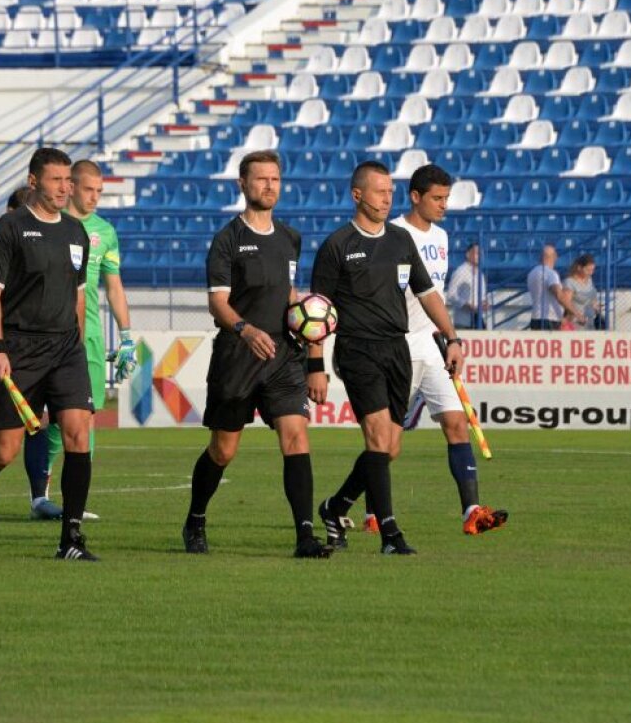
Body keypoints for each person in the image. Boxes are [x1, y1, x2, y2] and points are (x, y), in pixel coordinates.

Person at [0, 147, 97, 560]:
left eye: (68, 180)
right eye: (56, 180)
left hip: (65, 350)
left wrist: (78, 349)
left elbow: (78, 297)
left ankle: (71, 539)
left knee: (77, 435)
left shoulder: (75, 232)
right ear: (33, 182)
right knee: (4, 451)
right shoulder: (11, 228)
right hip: (20, 351)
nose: (65, 187)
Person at [310, 160, 465, 556]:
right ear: (358, 195)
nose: (386, 199)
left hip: (397, 350)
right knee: (379, 438)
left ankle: (335, 506)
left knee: (389, 448)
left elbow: (428, 293)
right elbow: (317, 312)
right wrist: (316, 366)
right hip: (358, 350)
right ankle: (391, 534)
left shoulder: (400, 240)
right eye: (380, 192)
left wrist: (452, 338)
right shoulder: (337, 246)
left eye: (390, 192)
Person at [181, 150, 330, 559]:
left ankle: (305, 536)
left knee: (296, 437)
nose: (269, 186)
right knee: (224, 449)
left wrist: (314, 357)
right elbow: (218, 303)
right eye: (261, 179)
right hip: (238, 356)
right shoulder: (227, 240)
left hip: (283, 357)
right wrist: (246, 330)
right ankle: (195, 519)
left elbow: (291, 297)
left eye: (275, 179)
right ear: (242, 185)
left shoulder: (290, 238)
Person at [369, 164, 507, 537]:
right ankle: (362, 508)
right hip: (399, 348)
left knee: (455, 423)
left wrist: (450, 339)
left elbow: (436, 295)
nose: (444, 205)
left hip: (433, 346)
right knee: (389, 444)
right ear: (415, 197)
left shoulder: (443, 237)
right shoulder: (392, 233)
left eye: (447, 198)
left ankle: (472, 511)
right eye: (437, 198)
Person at [22, 160, 136, 521]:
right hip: (46, 337)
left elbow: (114, 286)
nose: (95, 198)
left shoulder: (105, 232)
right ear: (70, 186)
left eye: (100, 192)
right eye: (89, 190)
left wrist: (128, 335)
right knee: (45, 422)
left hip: (87, 343)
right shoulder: (53, 226)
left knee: (86, 419)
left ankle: (73, 501)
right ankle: (39, 494)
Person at [527, 244, 583, 331]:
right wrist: (577, 313)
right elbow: (559, 295)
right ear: (554, 257)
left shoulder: (532, 273)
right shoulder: (551, 274)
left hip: (535, 318)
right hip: (549, 319)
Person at [445, 242, 487, 330]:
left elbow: (482, 296)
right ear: (468, 255)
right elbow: (451, 295)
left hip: (478, 319)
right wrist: (465, 305)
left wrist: (484, 303)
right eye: (476, 253)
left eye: (481, 254)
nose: (479, 256)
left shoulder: (481, 274)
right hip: (463, 321)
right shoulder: (460, 271)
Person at [563, 254, 601, 332]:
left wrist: (595, 305)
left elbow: (592, 296)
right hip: (576, 323)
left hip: (589, 321)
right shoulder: (570, 282)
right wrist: (577, 315)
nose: (590, 273)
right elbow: (566, 303)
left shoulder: (589, 280)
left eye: (592, 270)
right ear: (579, 268)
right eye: (588, 270)